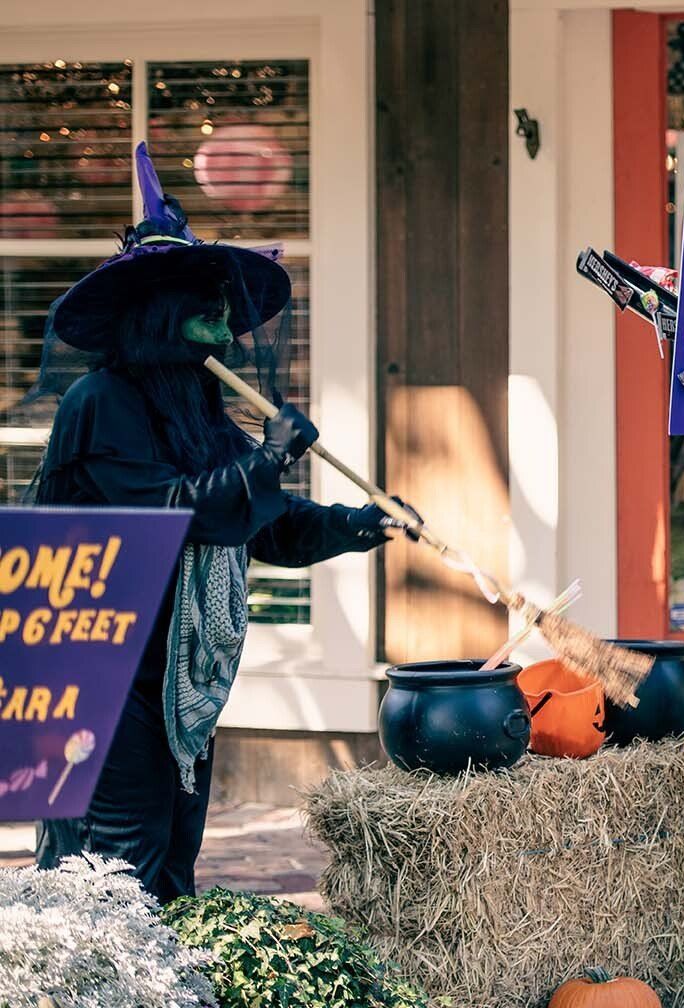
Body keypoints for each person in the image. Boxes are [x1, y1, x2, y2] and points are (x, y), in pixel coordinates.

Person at [28, 144, 415, 904]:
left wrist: (356, 523)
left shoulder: (197, 407)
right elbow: (169, 512)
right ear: (158, 314)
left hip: (176, 678)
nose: (224, 324)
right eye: (203, 307)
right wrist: (265, 462)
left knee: (174, 854)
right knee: (118, 864)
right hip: (103, 672)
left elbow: (262, 525)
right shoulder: (101, 403)